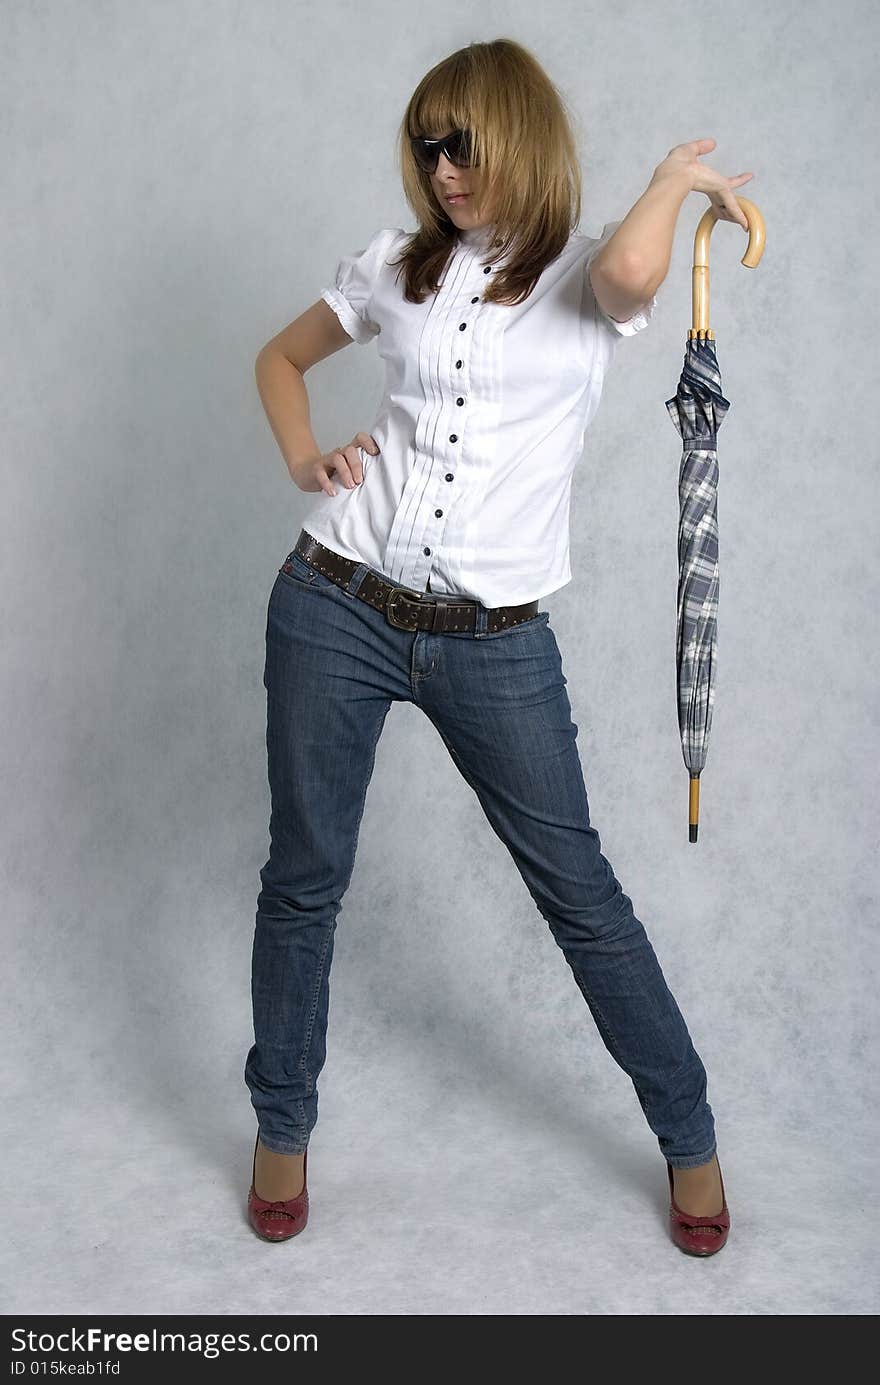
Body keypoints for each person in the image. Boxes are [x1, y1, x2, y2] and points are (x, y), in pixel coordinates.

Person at [244, 37, 752, 1255]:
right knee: (304, 877)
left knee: (580, 894)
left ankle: (688, 1134)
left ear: (514, 136)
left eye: (461, 141)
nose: (441, 166)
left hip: (493, 641)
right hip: (336, 600)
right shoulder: (393, 265)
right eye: (427, 144)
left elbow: (636, 266)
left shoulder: (585, 283)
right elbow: (278, 358)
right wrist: (305, 456)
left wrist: (674, 180)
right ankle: (278, 1126)